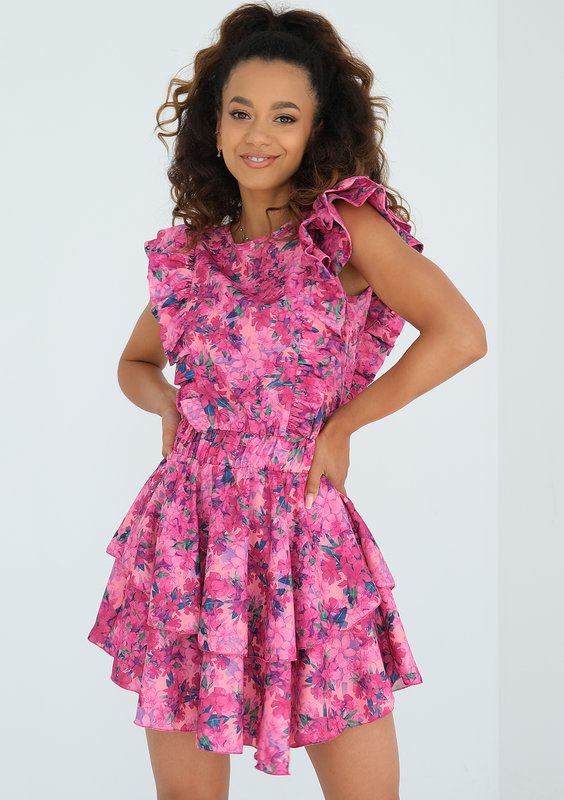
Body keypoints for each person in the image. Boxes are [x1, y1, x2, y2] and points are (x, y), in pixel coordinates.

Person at [87, 3, 487, 799]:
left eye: (283, 115)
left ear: (315, 130)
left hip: (305, 531)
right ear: (213, 126)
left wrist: (346, 424)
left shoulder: (343, 231)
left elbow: (460, 333)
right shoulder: (193, 256)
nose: (258, 134)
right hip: (190, 534)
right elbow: (134, 362)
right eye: (240, 112)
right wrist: (166, 404)